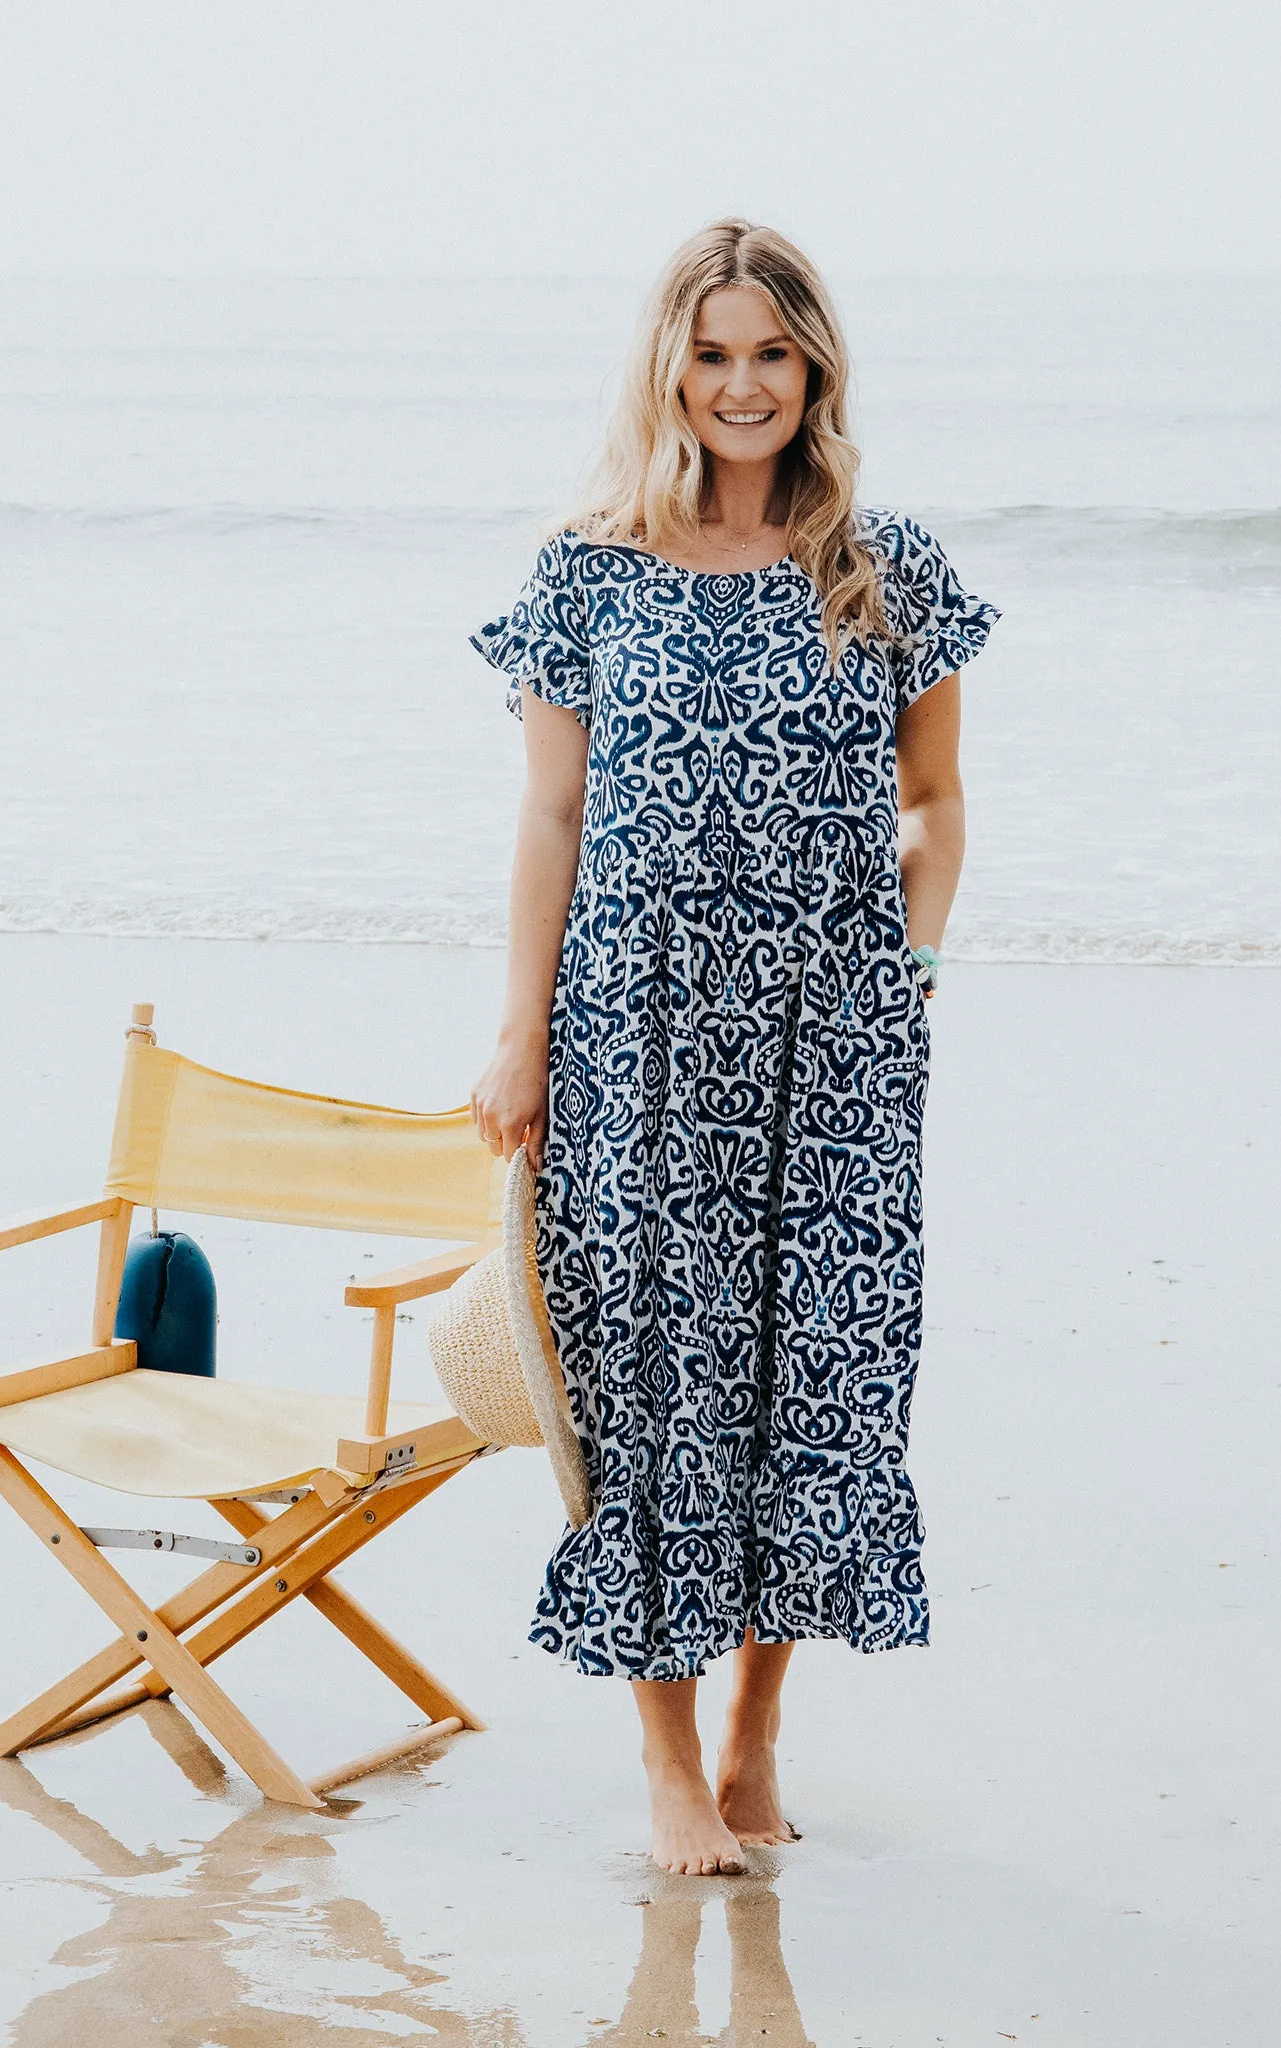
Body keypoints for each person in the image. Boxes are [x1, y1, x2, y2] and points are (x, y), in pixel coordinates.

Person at [469, 219, 998, 1876]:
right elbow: (551, 813)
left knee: (813, 1379)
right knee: (650, 1391)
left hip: (834, 1033)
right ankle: (668, 1763)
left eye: (770, 352)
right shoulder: (585, 568)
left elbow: (937, 802)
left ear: (813, 367)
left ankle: (763, 1728)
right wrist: (519, 1035)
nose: (741, 382)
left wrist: (898, 965)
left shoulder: (883, 562)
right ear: (667, 369)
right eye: (711, 353)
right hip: (631, 1025)